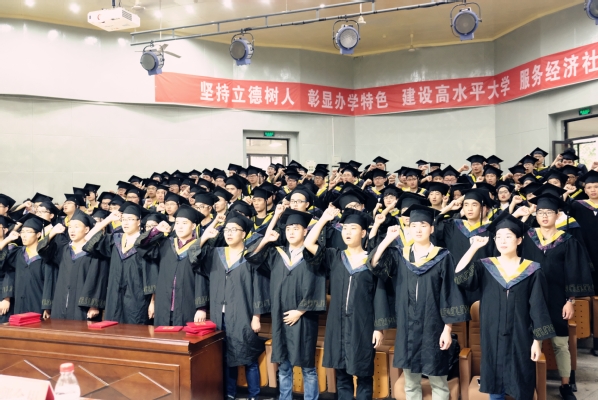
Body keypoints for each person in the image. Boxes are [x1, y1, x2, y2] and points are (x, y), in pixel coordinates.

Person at [370, 204, 469, 400]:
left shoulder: (443, 256)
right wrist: (388, 239)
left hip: (434, 326)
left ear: (431, 229)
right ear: (408, 229)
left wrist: (447, 329)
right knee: (411, 383)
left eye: (423, 225)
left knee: (439, 382)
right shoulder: (400, 255)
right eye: (413, 225)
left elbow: (449, 293)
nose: (418, 229)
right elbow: (374, 264)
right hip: (408, 327)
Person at [454, 213, 555, 400]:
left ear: (519, 240)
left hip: (521, 337)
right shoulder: (486, 266)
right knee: (495, 384)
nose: (502, 240)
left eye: (508, 236)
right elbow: (459, 276)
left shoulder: (532, 270)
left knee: (521, 382)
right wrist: (474, 247)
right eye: (498, 236)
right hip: (492, 335)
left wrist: (537, 342)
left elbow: (538, 308)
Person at [303, 206, 392, 400]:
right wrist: (323, 219)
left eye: (353, 228)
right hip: (338, 325)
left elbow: (379, 296)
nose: (348, 232)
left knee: (364, 374)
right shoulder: (335, 256)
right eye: (344, 228)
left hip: (362, 325)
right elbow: (308, 243)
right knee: (342, 375)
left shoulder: (372, 261)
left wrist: (379, 328)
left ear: (363, 233)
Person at [521, 189, 594, 399]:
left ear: (557, 214)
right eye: (540, 212)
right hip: (530, 298)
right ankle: (528, 382)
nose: (544, 216)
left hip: (557, 298)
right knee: (527, 340)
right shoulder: (528, 238)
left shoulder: (567, 240)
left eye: (549, 212)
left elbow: (573, 271)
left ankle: (565, 385)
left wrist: (570, 300)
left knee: (561, 344)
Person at [246, 209, 326, 400]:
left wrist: (300, 311)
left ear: (305, 231)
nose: (291, 232)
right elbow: (252, 257)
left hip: (304, 319)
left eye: (296, 228)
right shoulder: (276, 254)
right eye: (288, 228)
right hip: (280, 317)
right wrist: (266, 240)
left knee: (307, 367)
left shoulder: (313, 255)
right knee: (284, 365)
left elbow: (317, 284)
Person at [199, 212, 268, 400]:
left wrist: (256, 317)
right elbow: (194, 257)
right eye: (227, 230)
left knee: (248, 357)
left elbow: (259, 288)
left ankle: (254, 395)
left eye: (234, 230)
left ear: (243, 234)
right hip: (218, 315)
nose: (229, 233)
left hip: (243, 314)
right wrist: (206, 235)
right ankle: (229, 393)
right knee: (225, 356)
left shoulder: (251, 256)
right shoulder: (216, 254)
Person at [83, 202, 156, 324]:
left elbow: (152, 275)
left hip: (137, 299)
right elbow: (88, 238)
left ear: (139, 222)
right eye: (123, 219)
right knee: (112, 330)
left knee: (134, 330)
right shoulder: (115, 239)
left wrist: (153, 302)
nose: (125, 223)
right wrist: (108, 219)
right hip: (114, 297)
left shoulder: (145, 243)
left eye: (130, 219)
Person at [135, 205, 206, 326]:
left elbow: (202, 280)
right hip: (163, 305)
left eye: (184, 223)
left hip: (187, 306)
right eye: (177, 223)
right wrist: (156, 230)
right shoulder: (165, 244)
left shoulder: (200, 248)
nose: (180, 226)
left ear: (193, 226)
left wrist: (201, 308)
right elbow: (140, 246)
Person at [38, 209, 107, 321]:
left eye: (76, 226)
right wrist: (52, 233)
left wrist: (94, 305)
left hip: (83, 307)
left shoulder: (95, 252)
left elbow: (98, 279)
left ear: (86, 229)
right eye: (70, 227)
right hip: (60, 303)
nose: (72, 230)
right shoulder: (63, 249)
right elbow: (42, 251)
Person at [0, 214, 55, 321]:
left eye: (28, 232)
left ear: (38, 234)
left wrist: (47, 306)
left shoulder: (45, 256)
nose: (24, 235)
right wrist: (7, 239)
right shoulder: (17, 253)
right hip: (19, 304)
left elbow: (49, 282)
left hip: (37, 303)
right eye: (22, 232)